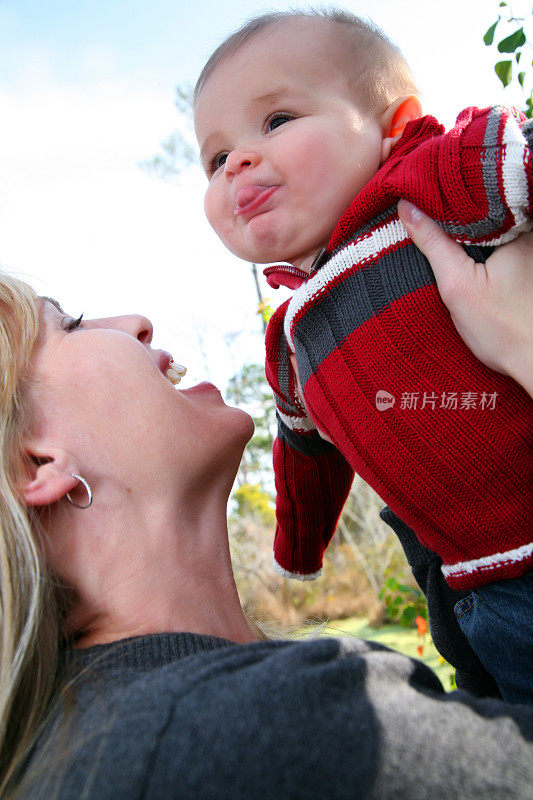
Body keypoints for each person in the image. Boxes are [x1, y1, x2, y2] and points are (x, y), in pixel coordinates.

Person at [0, 271, 530, 799]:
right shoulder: (253, 731)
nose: (138, 324)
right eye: (67, 325)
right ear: (37, 465)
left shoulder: (101, 734)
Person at [193, 8, 533, 702]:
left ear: (392, 124)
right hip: (472, 598)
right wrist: (298, 547)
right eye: (214, 157)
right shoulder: (291, 338)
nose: (238, 162)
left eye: (278, 119)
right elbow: (305, 459)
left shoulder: (427, 186)